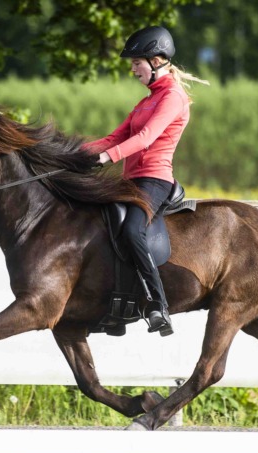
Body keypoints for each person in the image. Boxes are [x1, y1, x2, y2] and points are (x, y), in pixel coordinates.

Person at [83, 26, 209, 336]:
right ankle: (118, 306)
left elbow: (146, 137)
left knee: (131, 229)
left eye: (136, 63)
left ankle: (157, 303)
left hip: (154, 180)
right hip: (130, 181)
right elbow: (115, 136)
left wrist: (106, 158)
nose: (133, 69)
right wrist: (71, 154)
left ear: (156, 61)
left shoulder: (173, 97)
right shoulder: (145, 101)